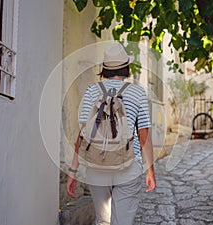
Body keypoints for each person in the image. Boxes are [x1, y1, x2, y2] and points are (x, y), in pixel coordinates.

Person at [67, 42, 156, 225]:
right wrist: (150, 169)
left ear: (104, 69)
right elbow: (143, 135)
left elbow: (82, 134)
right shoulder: (137, 92)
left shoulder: (92, 91)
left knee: (102, 220)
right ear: (126, 68)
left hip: (96, 166)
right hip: (129, 167)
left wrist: (72, 170)